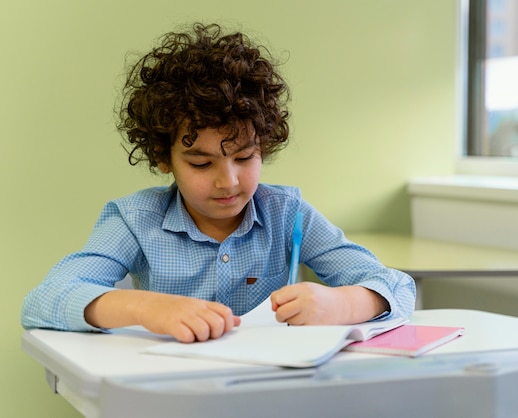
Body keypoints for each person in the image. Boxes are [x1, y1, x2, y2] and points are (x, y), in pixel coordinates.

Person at [21, 22, 416, 343]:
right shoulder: (134, 220)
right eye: (200, 162)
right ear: (164, 158)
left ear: (264, 145)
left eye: (244, 157)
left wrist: (343, 304)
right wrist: (146, 308)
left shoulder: (287, 214)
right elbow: (44, 299)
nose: (228, 181)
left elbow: (397, 286)